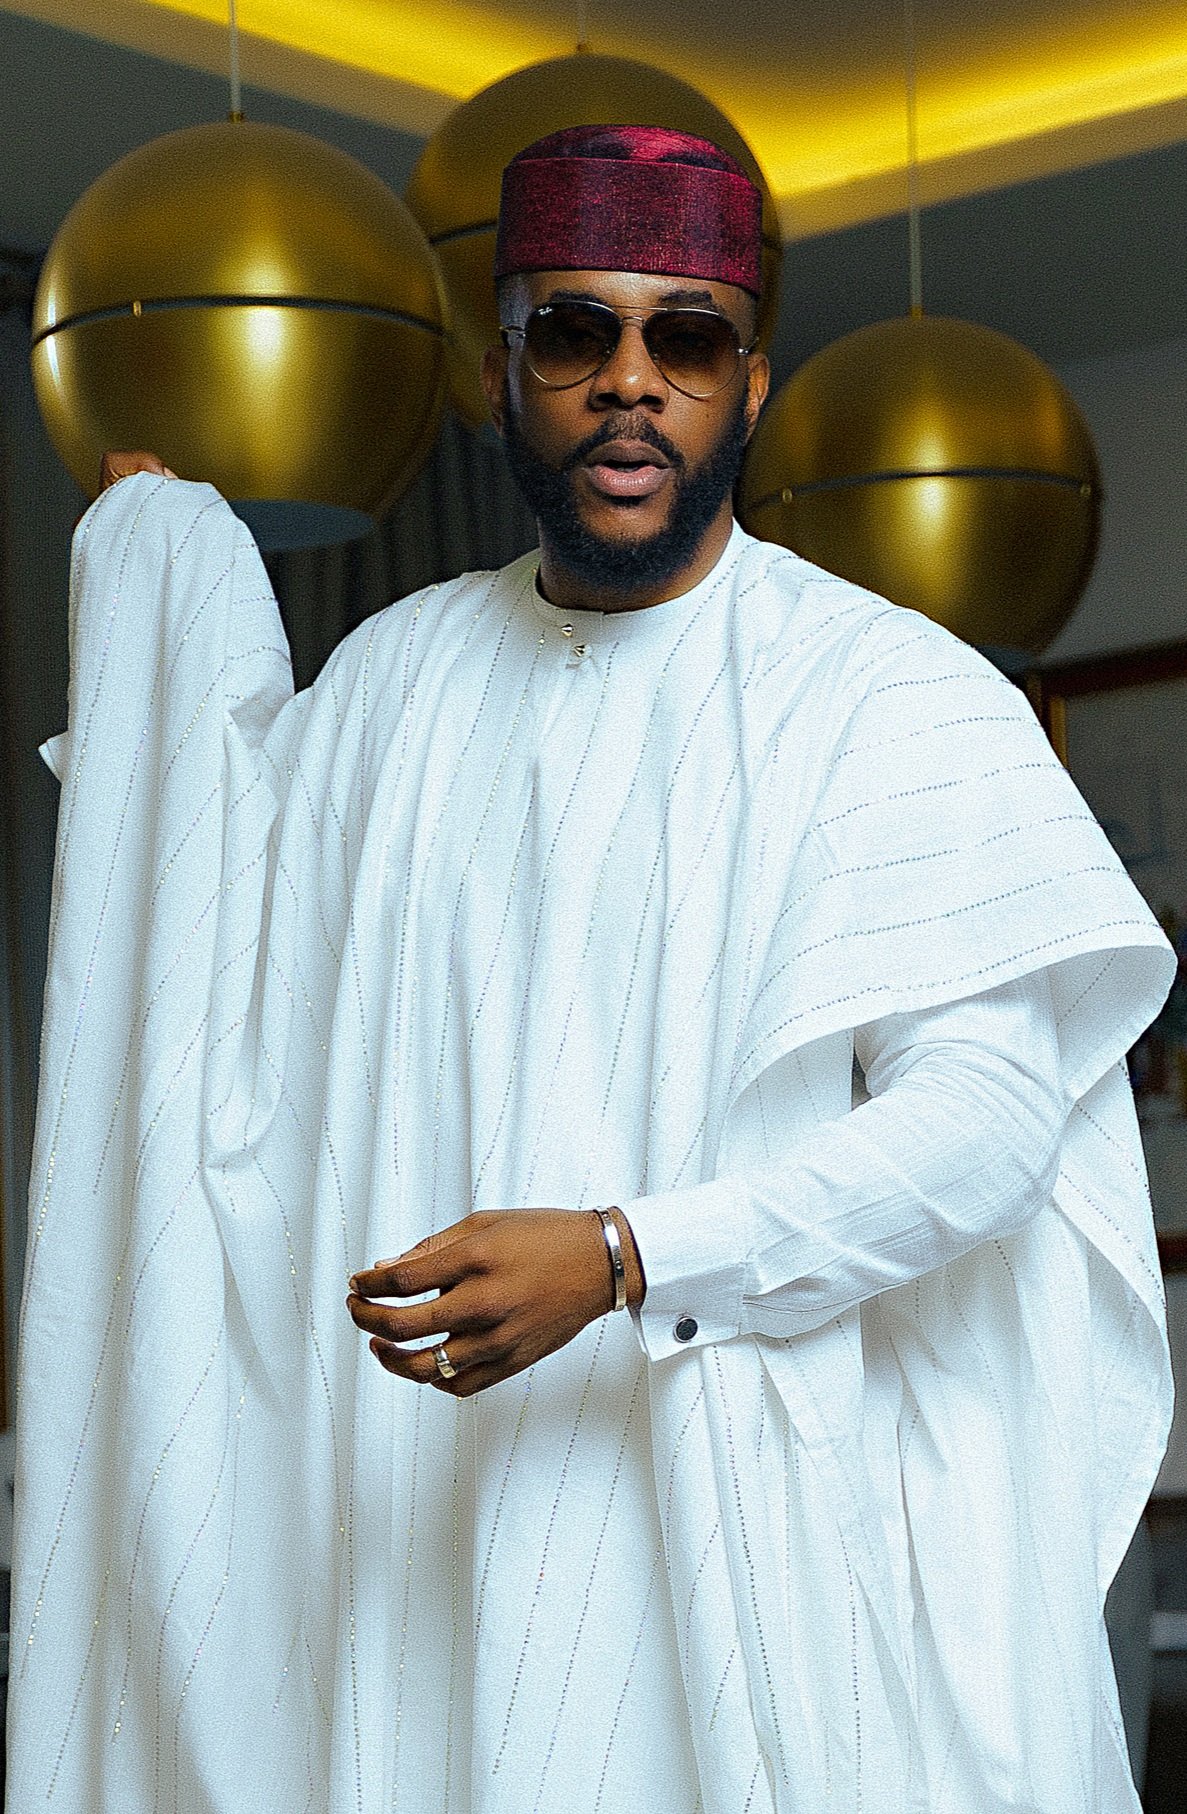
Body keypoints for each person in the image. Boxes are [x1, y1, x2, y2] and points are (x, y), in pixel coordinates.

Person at [7, 126, 1174, 1813]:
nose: (632, 381)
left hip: (761, 1552)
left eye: (685, 338)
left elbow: (985, 1125)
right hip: (429, 1552)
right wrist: (160, 591)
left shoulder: (889, 698)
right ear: (502, 374)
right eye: (576, 332)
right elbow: (220, 934)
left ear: (749, 386)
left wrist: (627, 1255)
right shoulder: (394, 686)